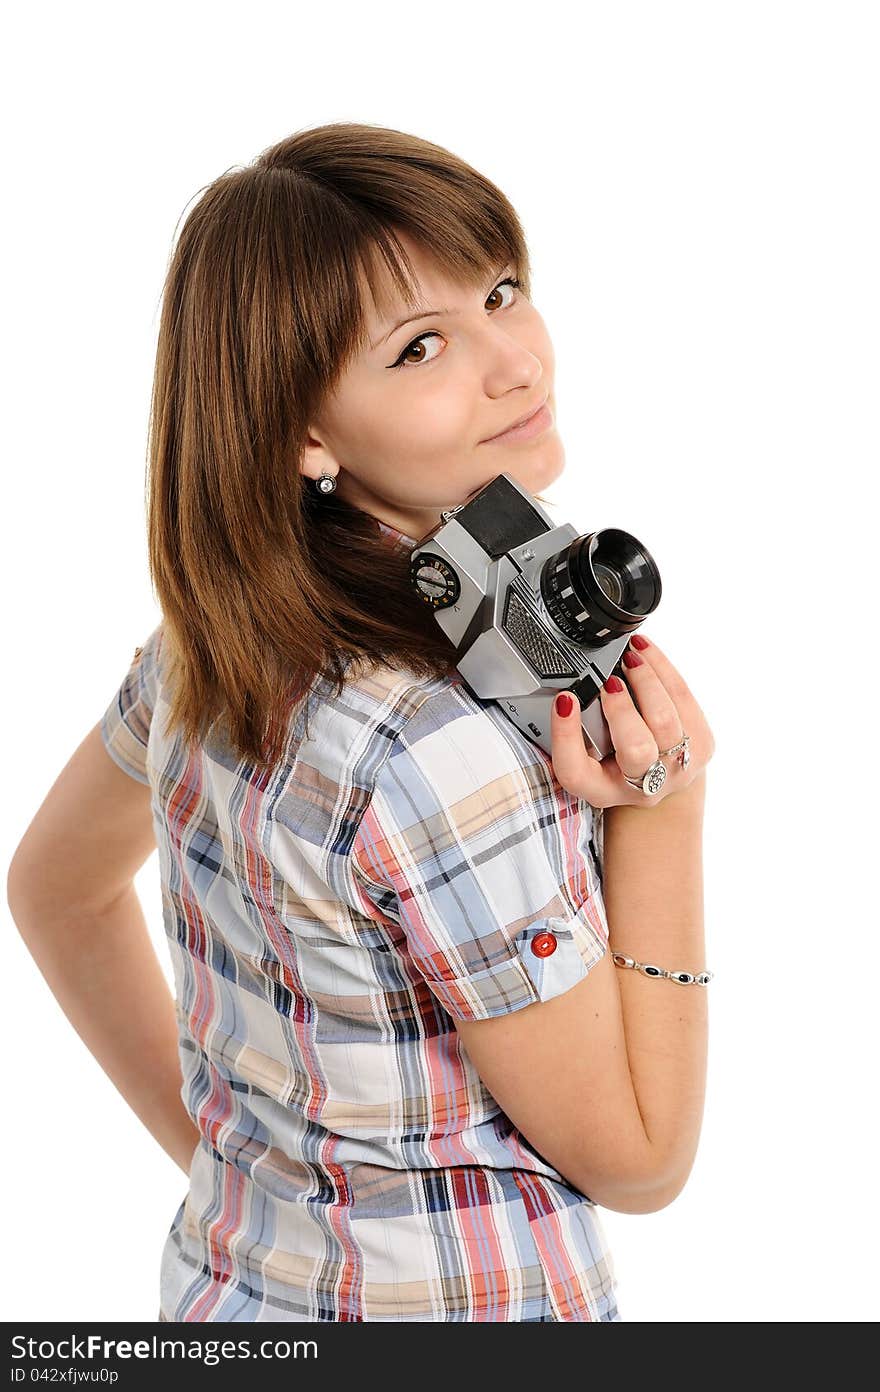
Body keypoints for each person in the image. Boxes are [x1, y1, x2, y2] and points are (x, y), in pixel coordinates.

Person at [9, 122, 714, 1322]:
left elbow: (53, 889)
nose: (513, 363)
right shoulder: (435, 746)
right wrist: (665, 805)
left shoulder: (207, 649)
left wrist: (238, 1170)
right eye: (421, 346)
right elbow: (640, 1158)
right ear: (305, 432)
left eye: (499, 291)